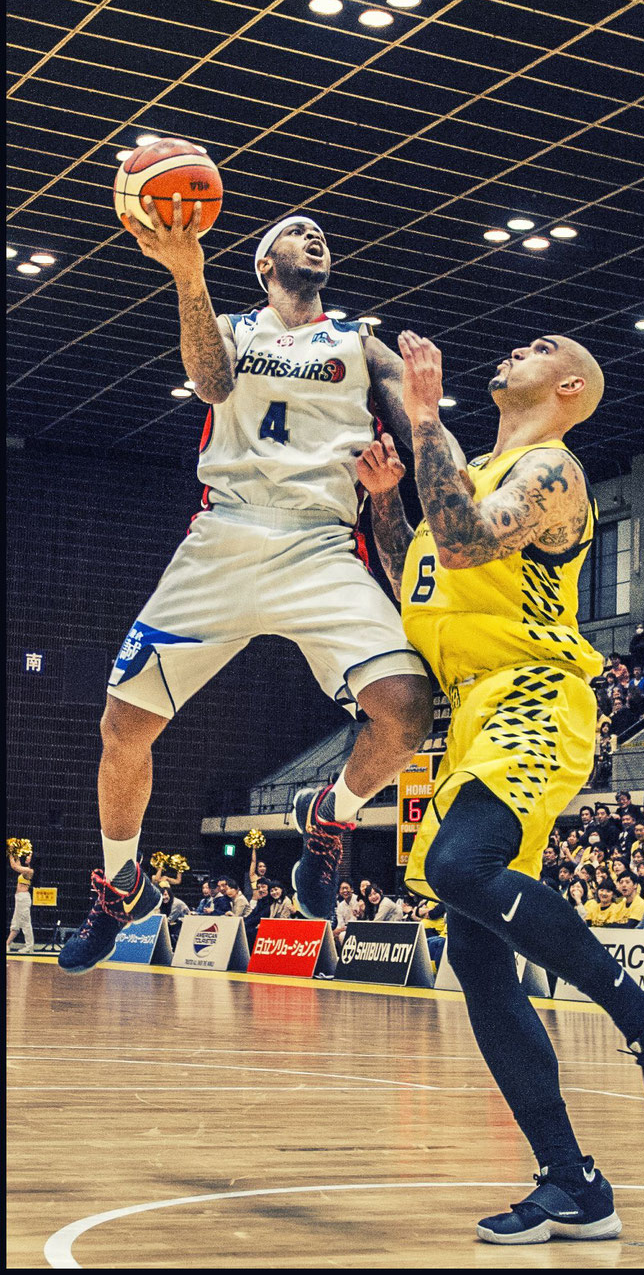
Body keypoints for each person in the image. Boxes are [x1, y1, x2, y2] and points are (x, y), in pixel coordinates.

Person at [361, 329, 644, 1243]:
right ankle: (573, 1182)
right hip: (471, 715)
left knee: (458, 867)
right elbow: (429, 568)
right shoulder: (473, 466)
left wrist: (424, 413)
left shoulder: (554, 471)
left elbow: (473, 542)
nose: (517, 345)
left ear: (566, 385)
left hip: (533, 698)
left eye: (540, 346)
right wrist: (388, 502)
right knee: (476, 960)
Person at [59, 201, 448, 972]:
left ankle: (329, 818)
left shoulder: (362, 347)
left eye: (323, 235)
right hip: (227, 536)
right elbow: (207, 382)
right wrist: (187, 274)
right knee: (122, 726)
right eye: (294, 233)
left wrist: (454, 476)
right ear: (265, 266)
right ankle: (120, 880)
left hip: (321, 543)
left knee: (406, 714)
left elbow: (431, 437)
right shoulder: (232, 329)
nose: (315, 236)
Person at [7, 847, 35, 954]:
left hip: (23, 898)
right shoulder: (26, 868)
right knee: (16, 923)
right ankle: (7, 943)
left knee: (25, 923)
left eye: (29, 856)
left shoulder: (29, 871)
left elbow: (14, 866)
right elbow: (17, 864)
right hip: (20, 898)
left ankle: (29, 946)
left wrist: (10, 853)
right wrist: (15, 852)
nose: (27, 857)